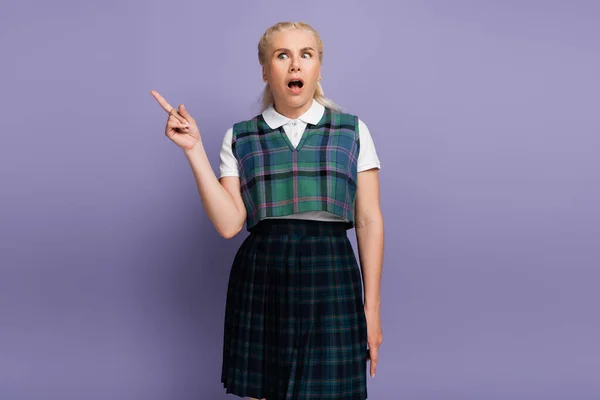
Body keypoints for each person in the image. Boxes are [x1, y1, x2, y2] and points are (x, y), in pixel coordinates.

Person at [151, 21, 383, 400]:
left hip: (332, 273)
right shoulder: (241, 136)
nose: (295, 65)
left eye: (306, 55)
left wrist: (371, 310)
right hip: (264, 273)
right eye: (283, 55)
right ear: (265, 70)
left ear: (318, 68)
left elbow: (369, 219)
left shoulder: (352, 131)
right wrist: (194, 150)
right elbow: (229, 225)